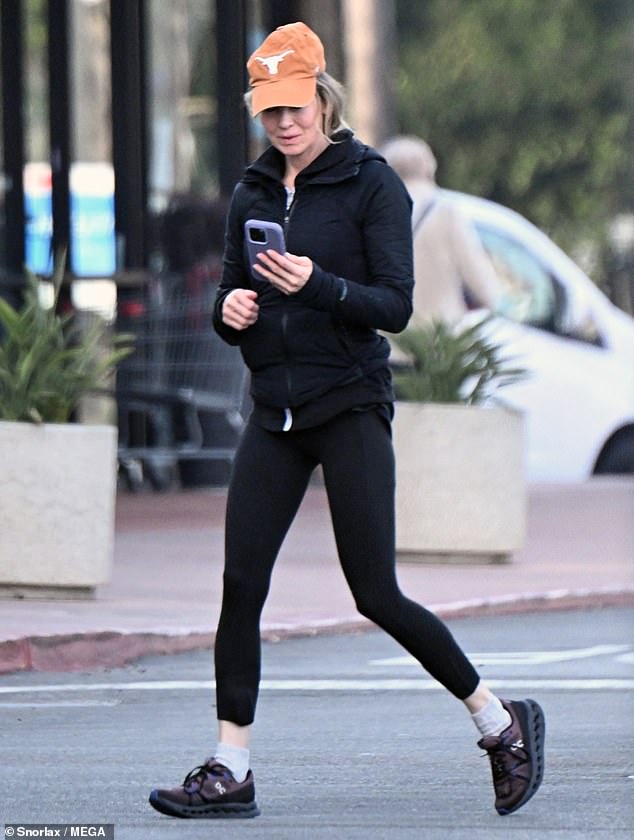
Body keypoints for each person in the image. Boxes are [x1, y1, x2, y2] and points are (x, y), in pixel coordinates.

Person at [148, 21, 545, 821]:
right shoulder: (252, 191)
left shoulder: (371, 184)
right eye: (269, 112)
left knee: (376, 593)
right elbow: (234, 301)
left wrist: (315, 283)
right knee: (239, 585)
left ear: (322, 98)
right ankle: (232, 768)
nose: (284, 124)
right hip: (273, 412)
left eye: (295, 108)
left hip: (349, 404)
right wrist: (232, 309)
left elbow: (392, 307)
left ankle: (501, 725)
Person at [380, 134, 501, 325]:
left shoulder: (373, 211)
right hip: (436, 341)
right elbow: (485, 288)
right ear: (429, 168)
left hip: (386, 340)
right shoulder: (446, 213)